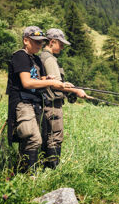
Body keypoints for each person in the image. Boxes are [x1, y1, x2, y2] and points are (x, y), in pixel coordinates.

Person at [6, 26, 71, 173]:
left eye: (41, 42)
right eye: (36, 42)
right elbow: (27, 83)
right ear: (25, 40)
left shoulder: (35, 58)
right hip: (22, 103)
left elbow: (39, 78)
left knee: (34, 139)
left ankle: (25, 173)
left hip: (34, 103)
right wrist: (50, 82)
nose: (39, 45)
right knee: (33, 138)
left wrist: (51, 80)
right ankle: (29, 176)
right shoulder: (20, 56)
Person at [40, 28, 91, 169]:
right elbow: (57, 85)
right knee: (55, 138)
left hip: (47, 103)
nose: (62, 47)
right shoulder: (49, 59)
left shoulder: (43, 57)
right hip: (52, 105)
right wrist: (77, 91)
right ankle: (52, 170)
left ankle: (46, 168)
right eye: (60, 44)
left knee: (48, 137)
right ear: (52, 42)